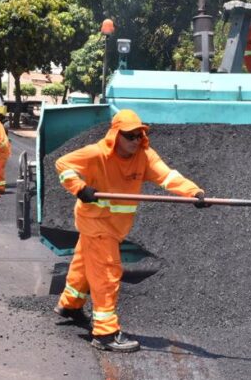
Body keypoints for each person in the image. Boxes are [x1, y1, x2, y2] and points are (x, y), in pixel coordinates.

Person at [54, 109, 208, 352]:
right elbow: (63, 164)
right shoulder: (97, 154)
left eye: (140, 135)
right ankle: (105, 334)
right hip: (95, 220)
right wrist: (80, 188)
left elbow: (167, 176)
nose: (136, 140)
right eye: (130, 135)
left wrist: (194, 192)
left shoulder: (144, 156)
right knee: (107, 271)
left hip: (115, 225)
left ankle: (70, 305)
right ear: (116, 135)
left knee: (85, 262)